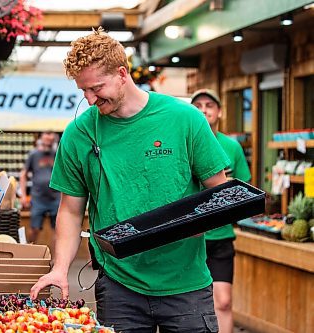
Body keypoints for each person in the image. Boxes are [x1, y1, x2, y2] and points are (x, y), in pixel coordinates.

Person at [30, 27, 230, 333]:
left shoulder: (184, 119)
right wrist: (60, 269)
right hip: (119, 286)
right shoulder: (78, 134)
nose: (89, 98)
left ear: (123, 74)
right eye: (82, 90)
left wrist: (194, 223)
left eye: (96, 88)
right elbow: (70, 210)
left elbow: (221, 192)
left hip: (186, 282)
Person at [191, 89, 251, 333]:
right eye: (198, 105)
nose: (204, 110)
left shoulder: (232, 147)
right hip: (191, 238)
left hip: (221, 237)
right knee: (188, 304)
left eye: (209, 105)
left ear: (220, 112)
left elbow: (244, 186)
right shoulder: (185, 142)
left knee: (223, 301)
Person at [19, 131, 60, 245]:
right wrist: (23, 196)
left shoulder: (57, 154)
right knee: (34, 229)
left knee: (57, 231)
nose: (48, 143)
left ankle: (56, 260)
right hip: (38, 198)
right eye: (46, 140)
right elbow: (23, 174)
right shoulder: (34, 154)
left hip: (55, 198)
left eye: (51, 141)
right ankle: (30, 257)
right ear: (41, 139)